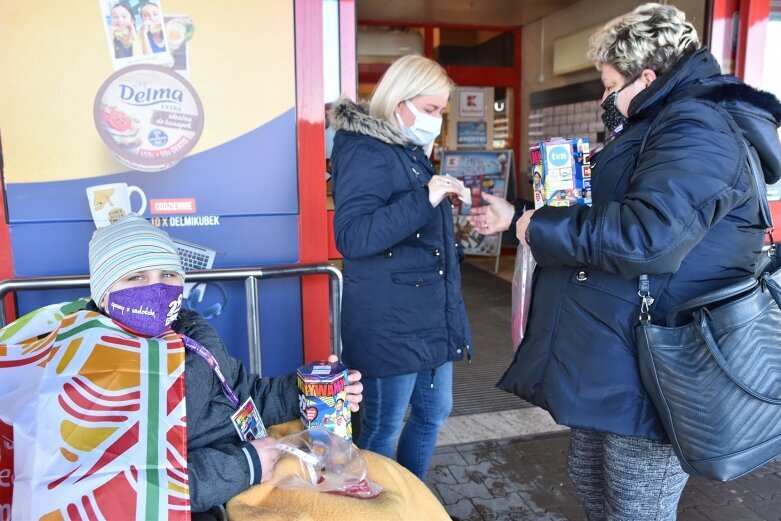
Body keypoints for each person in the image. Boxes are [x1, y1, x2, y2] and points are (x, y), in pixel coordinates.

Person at [468, 3, 781, 519]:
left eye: (611, 86)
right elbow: (626, 217)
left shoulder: (697, 128)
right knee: (594, 484)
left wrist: (531, 228)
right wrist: (522, 215)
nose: (605, 98)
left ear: (649, 77)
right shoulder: (666, 124)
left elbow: (646, 238)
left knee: (635, 507)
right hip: (621, 358)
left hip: (660, 364)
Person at [85, 214, 364, 515]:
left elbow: (247, 395)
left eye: (168, 274)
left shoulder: (191, 333)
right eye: (136, 277)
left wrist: (313, 391)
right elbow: (127, 489)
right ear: (103, 295)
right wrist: (245, 465)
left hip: (249, 475)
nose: (157, 288)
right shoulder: (90, 372)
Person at [328, 54, 473, 480]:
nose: (436, 120)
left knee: (433, 414)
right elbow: (353, 236)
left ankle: (410, 500)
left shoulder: (408, 150)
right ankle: (376, 507)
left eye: (440, 112)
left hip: (427, 315)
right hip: (389, 321)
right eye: (430, 110)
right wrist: (425, 197)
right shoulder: (363, 148)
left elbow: (413, 229)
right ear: (398, 102)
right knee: (382, 425)